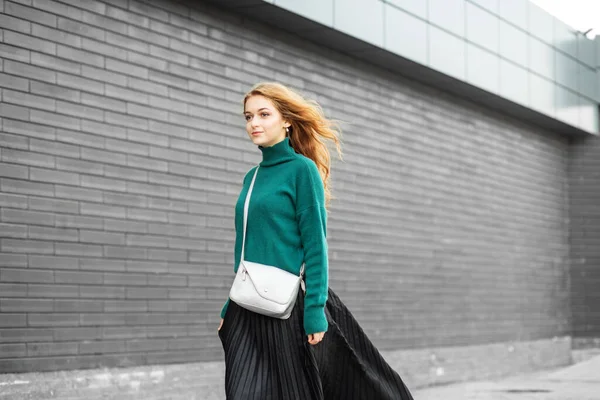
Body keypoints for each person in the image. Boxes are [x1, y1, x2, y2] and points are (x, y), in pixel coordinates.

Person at [217, 82, 414, 399]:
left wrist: (314, 311)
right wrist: (230, 306)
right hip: (247, 307)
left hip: (288, 306)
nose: (254, 123)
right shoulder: (251, 177)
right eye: (248, 116)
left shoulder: (302, 170)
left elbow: (316, 247)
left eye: (264, 114)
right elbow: (243, 247)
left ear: (286, 120)